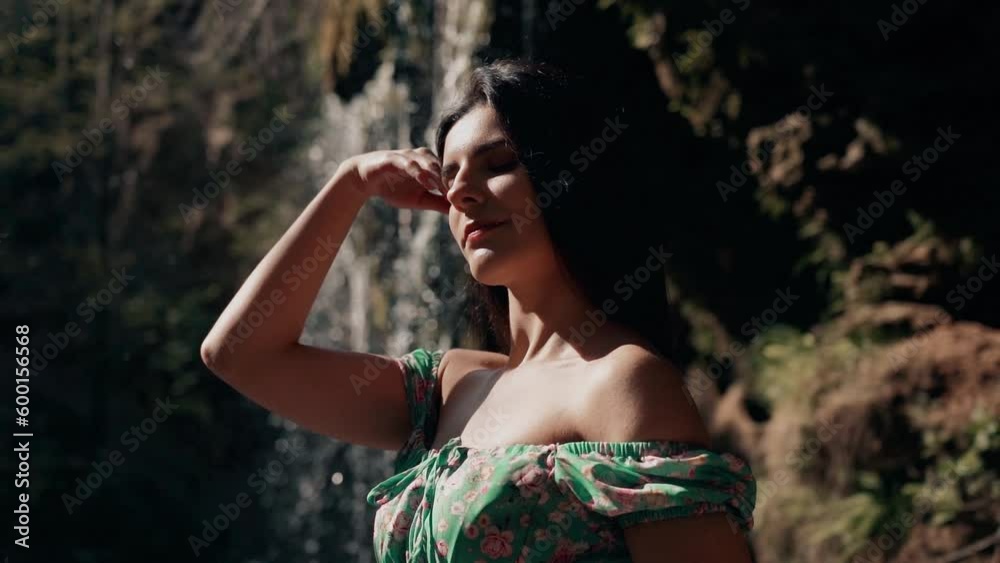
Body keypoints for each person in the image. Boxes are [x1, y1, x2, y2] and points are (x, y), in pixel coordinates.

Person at [201, 58, 756, 562]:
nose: (462, 192)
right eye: (449, 176)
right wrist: (350, 184)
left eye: (498, 164)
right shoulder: (447, 390)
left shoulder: (622, 382)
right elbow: (240, 353)